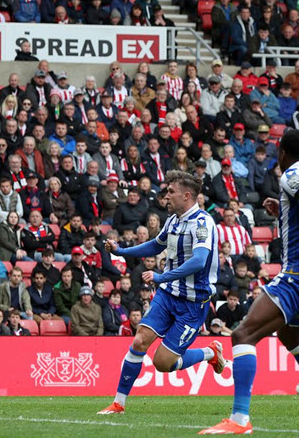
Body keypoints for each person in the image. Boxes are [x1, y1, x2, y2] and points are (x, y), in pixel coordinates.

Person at [200, 130, 299, 434]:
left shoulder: (291, 176)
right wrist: (281, 209)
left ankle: (240, 420)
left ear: (282, 152)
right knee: (290, 337)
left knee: (243, 335)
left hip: (298, 275)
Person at [98, 171, 225, 415]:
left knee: (162, 363)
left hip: (193, 303)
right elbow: (157, 244)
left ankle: (210, 353)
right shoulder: (173, 220)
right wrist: (122, 251)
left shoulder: (203, 223)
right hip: (168, 295)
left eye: (171, 191)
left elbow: (199, 261)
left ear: (186, 196)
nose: (166, 195)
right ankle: (118, 403)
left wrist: (161, 276)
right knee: (139, 340)